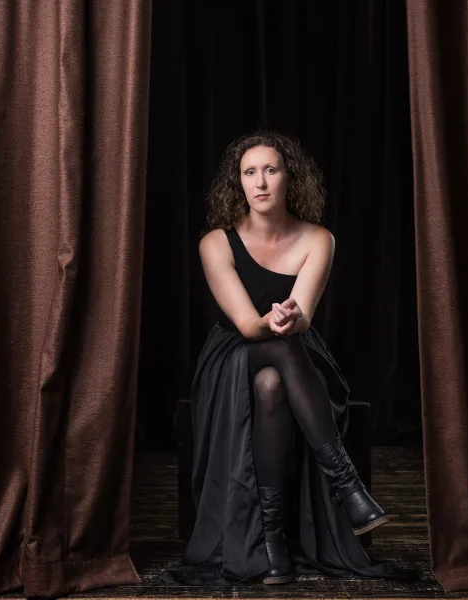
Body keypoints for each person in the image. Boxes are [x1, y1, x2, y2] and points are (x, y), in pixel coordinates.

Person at [176, 132, 411, 586]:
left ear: (290, 178)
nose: (260, 182)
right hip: (230, 359)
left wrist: (291, 317)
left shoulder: (318, 238)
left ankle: (274, 544)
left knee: (272, 382)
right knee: (270, 354)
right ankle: (348, 488)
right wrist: (275, 324)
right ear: (238, 184)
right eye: (249, 173)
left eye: (271, 170)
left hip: (296, 355)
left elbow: (301, 318)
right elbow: (247, 327)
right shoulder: (216, 244)